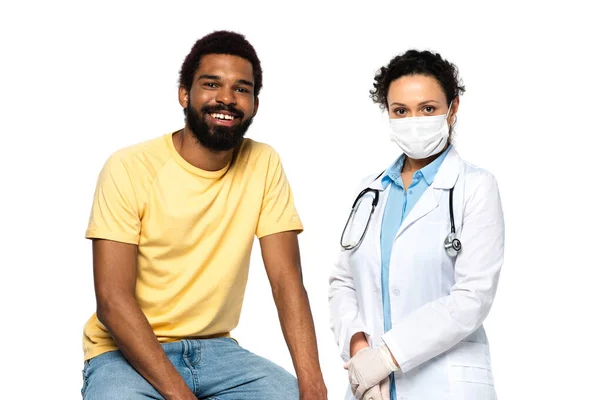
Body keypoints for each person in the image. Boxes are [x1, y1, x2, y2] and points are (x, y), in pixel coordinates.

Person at [81, 30, 327, 400]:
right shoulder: (129, 167)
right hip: (124, 353)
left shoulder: (263, 162)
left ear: (255, 104)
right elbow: (113, 300)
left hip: (219, 353)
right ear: (185, 94)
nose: (226, 98)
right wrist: (182, 396)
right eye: (211, 84)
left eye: (241, 89)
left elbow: (286, 281)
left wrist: (313, 387)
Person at [329, 49, 505, 400]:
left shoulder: (475, 187)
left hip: (445, 384)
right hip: (371, 385)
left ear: (453, 109)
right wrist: (360, 348)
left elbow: (472, 297)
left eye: (427, 109)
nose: (414, 120)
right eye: (401, 111)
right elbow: (342, 280)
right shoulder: (371, 190)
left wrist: (387, 356)